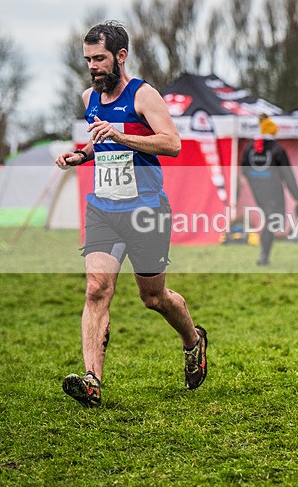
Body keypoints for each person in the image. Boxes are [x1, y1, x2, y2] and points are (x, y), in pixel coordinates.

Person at [55, 21, 207, 407]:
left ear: (121, 56)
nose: (93, 66)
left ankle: (193, 340)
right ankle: (92, 381)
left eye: (100, 58)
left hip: (145, 210)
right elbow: (101, 142)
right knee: (96, 290)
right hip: (103, 208)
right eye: (88, 59)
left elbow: (172, 144)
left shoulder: (144, 96)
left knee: (154, 298)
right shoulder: (90, 96)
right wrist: (82, 154)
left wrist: (122, 135)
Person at [241, 114, 298, 266]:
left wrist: (256, 181)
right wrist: (297, 195)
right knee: (272, 221)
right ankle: (264, 255)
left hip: (258, 192)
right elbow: (287, 174)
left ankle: (264, 254)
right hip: (273, 192)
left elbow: (244, 169)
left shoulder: (249, 149)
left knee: (271, 220)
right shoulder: (277, 149)